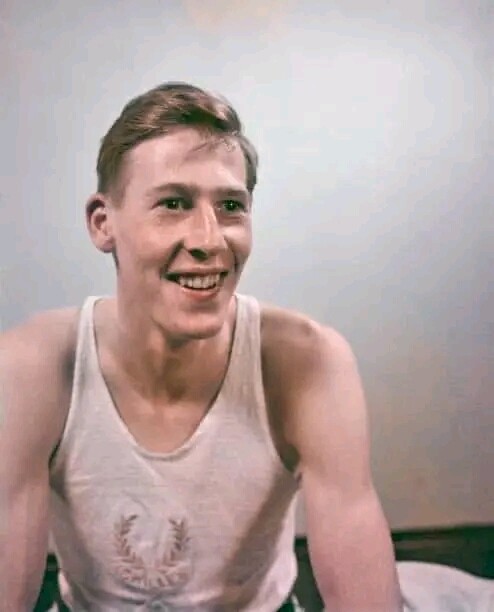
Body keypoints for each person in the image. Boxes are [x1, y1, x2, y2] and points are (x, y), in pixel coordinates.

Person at [0, 82, 402, 611]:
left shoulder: (307, 361)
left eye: (231, 206)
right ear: (103, 223)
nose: (210, 240)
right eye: (173, 203)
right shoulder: (32, 367)